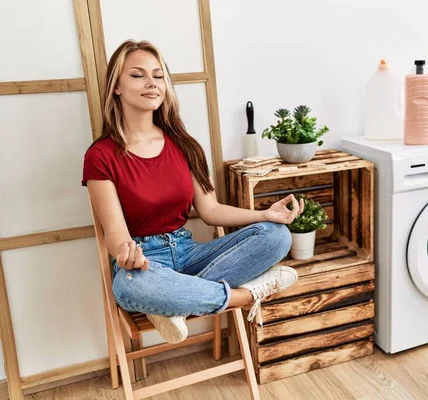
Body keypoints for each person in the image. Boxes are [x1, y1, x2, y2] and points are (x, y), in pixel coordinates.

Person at [82, 40, 302, 344]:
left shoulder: (184, 145)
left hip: (189, 252)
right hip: (146, 263)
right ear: (116, 86)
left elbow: (210, 211)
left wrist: (265, 214)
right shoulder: (101, 155)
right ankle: (244, 296)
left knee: (276, 235)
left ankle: (173, 305)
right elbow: (115, 233)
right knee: (131, 286)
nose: (151, 84)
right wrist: (126, 255)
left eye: (158, 76)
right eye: (137, 75)